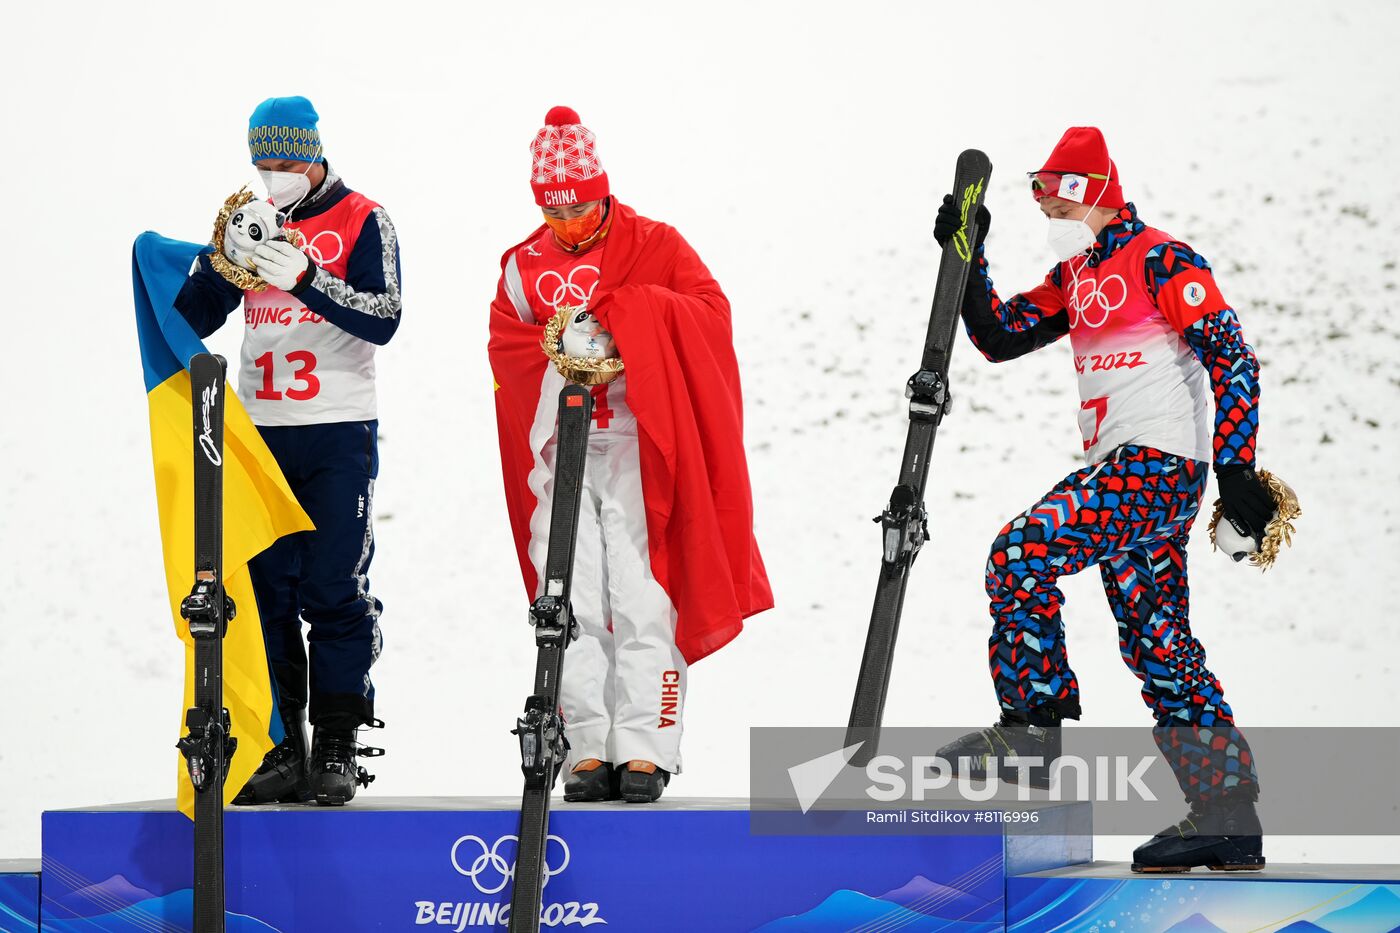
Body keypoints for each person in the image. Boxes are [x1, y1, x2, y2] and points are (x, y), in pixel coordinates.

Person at [931, 127, 1272, 872]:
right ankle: (1227, 812)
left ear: (1087, 185)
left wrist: (1237, 468)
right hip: (1127, 468)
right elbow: (998, 333)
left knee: (1021, 550)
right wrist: (967, 254)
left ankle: (1031, 726)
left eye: (1048, 181)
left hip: (1154, 465)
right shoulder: (1078, 272)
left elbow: (1231, 353)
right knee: (1158, 641)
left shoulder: (1161, 257)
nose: (1039, 194)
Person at [488, 107, 772, 803]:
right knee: (570, 596)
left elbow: (709, 312)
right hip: (563, 447)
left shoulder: (656, 243)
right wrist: (562, 355)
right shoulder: (522, 266)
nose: (569, 221)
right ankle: (585, 744)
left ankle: (646, 745)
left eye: (580, 205)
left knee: (645, 593)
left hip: (643, 442)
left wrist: (632, 317)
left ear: (601, 188)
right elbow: (507, 347)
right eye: (554, 210)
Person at [174, 96, 401, 806]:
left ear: (313, 152)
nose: (274, 178)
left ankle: (337, 734)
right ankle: (280, 741)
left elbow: (384, 316)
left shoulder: (363, 218)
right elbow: (196, 318)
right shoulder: (254, 218)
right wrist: (218, 265)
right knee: (268, 591)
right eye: (262, 165)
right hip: (261, 431)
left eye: (285, 163)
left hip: (336, 428)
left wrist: (305, 278)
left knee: (333, 587)